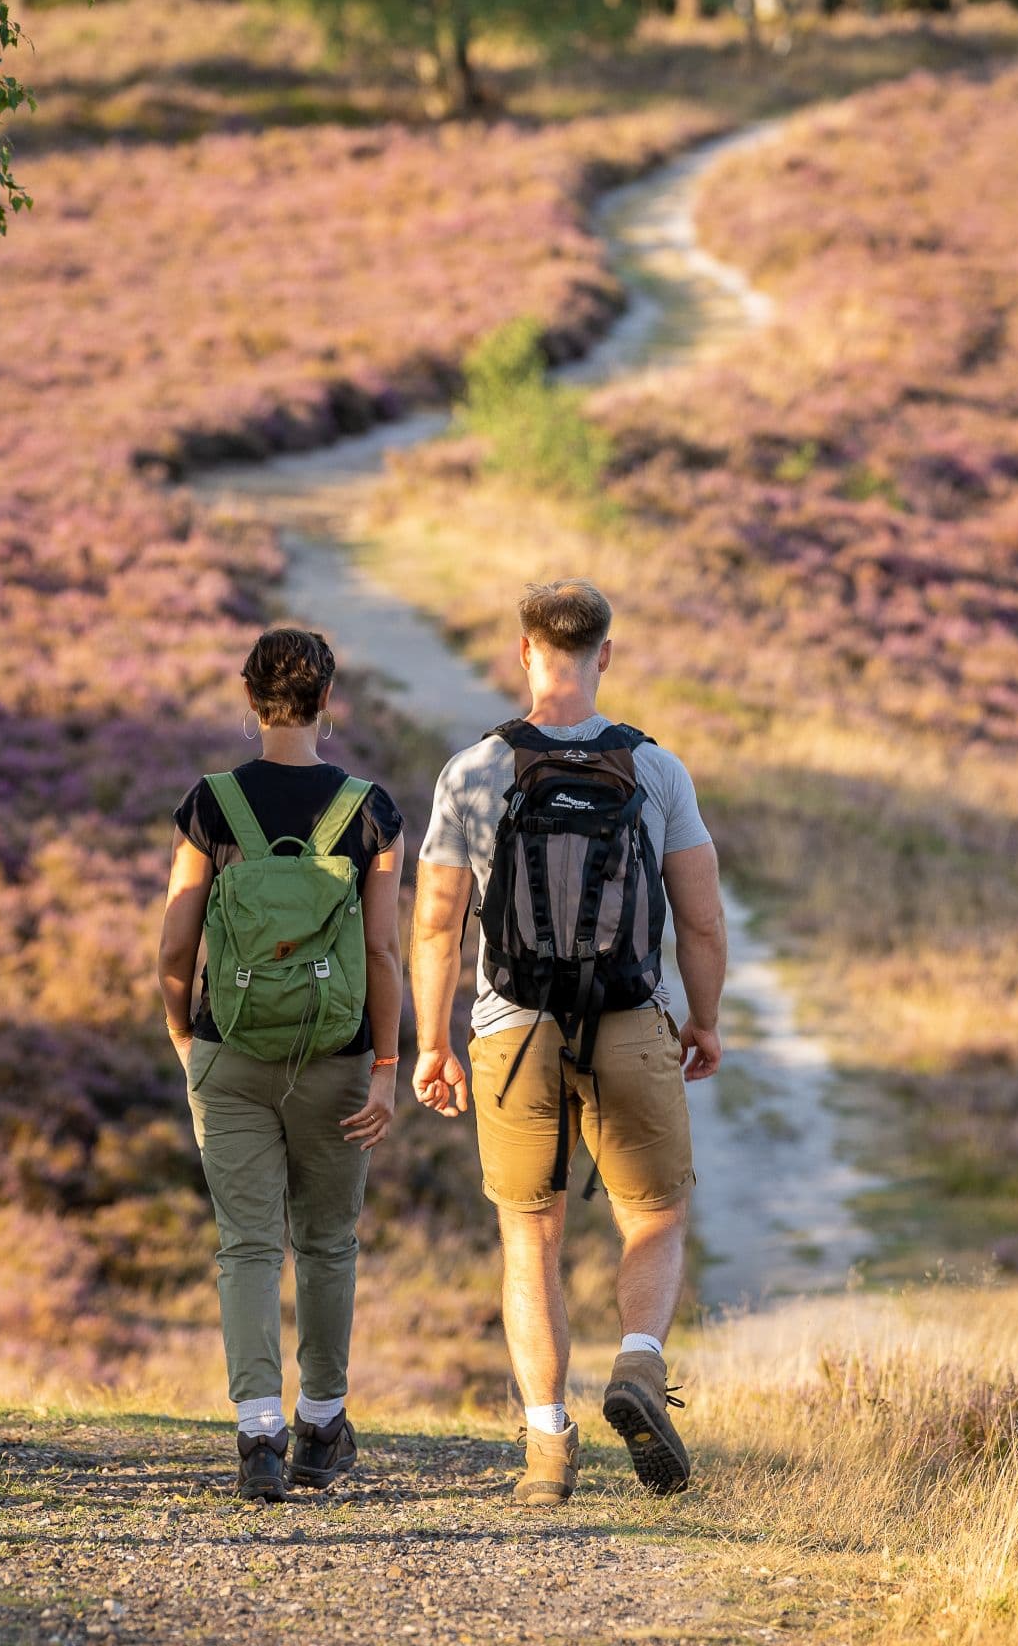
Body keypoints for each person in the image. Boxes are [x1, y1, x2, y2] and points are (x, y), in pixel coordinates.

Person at [410, 580, 728, 1506]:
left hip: (512, 1031)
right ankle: (636, 1363)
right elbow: (701, 923)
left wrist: (434, 1043)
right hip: (631, 1021)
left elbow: (436, 925)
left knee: (529, 1234)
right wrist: (701, 1021)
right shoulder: (656, 771)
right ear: (605, 654)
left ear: (524, 654)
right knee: (657, 1214)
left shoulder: (472, 771)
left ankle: (547, 1450)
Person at [157, 626, 406, 1503]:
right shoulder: (369, 808)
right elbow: (382, 949)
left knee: (248, 1246)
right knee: (329, 1242)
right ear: (326, 699)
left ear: (249, 697)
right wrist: (385, 1066)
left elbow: (177, 938)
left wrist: (188, 1040)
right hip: (335, 1059)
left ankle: (258, 1435)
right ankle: (322, 1425)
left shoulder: (213, 801)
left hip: (229, 1053)